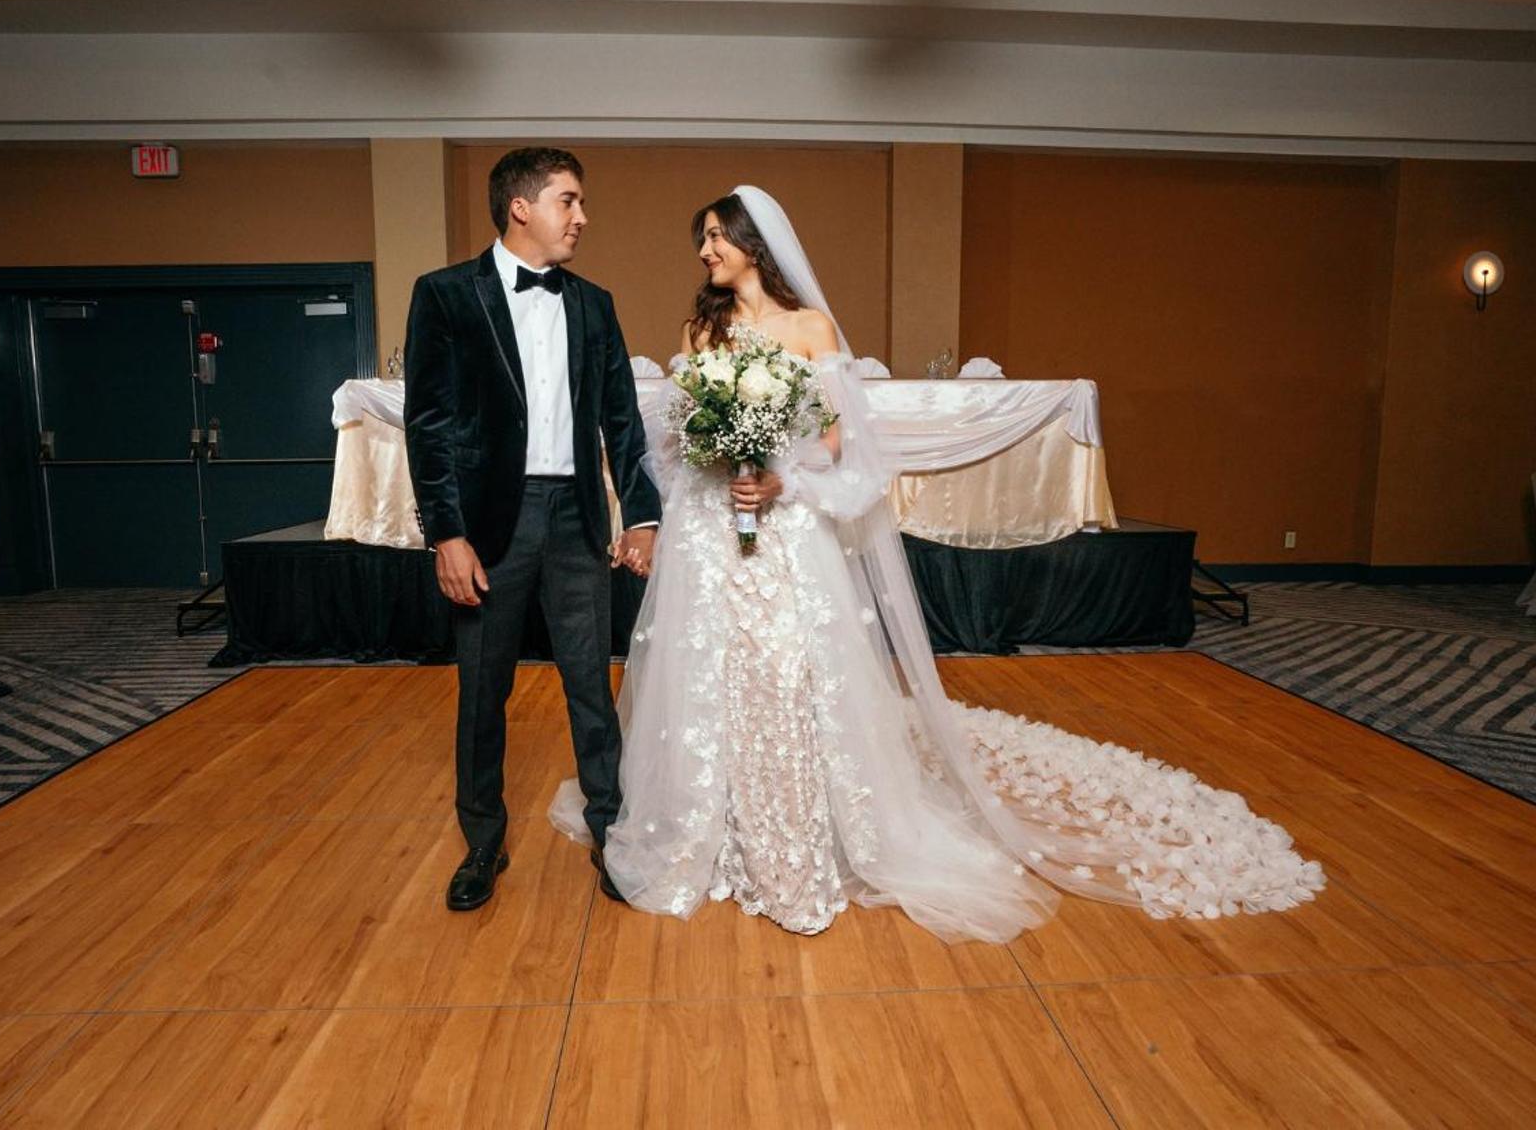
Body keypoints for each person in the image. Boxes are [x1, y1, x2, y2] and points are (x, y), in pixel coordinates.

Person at [552, 186, 1323, 941]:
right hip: (715, 529)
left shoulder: (811, 327)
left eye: (717, 235)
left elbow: (837, 436)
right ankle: (708, 827)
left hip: (783, 526)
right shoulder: (700, 331)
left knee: (788, 673)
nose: (705, 250)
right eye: (703, 238)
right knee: (710, 672)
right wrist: (720, 455)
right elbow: (679, 433)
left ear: (754, 243)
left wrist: (779, 472)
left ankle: (793, 839)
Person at [405, 147, 660, 912]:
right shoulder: (445, 294)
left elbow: (622, 422)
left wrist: (643, 516)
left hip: (576, 521)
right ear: (521, 207)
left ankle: (611, 835)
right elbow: (429, 425)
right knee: (482, 692)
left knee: (590, 686)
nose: (581, 217)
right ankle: (482, 843)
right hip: (489, 526)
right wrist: (446, 535)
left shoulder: (593, 303)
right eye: (567, 200)